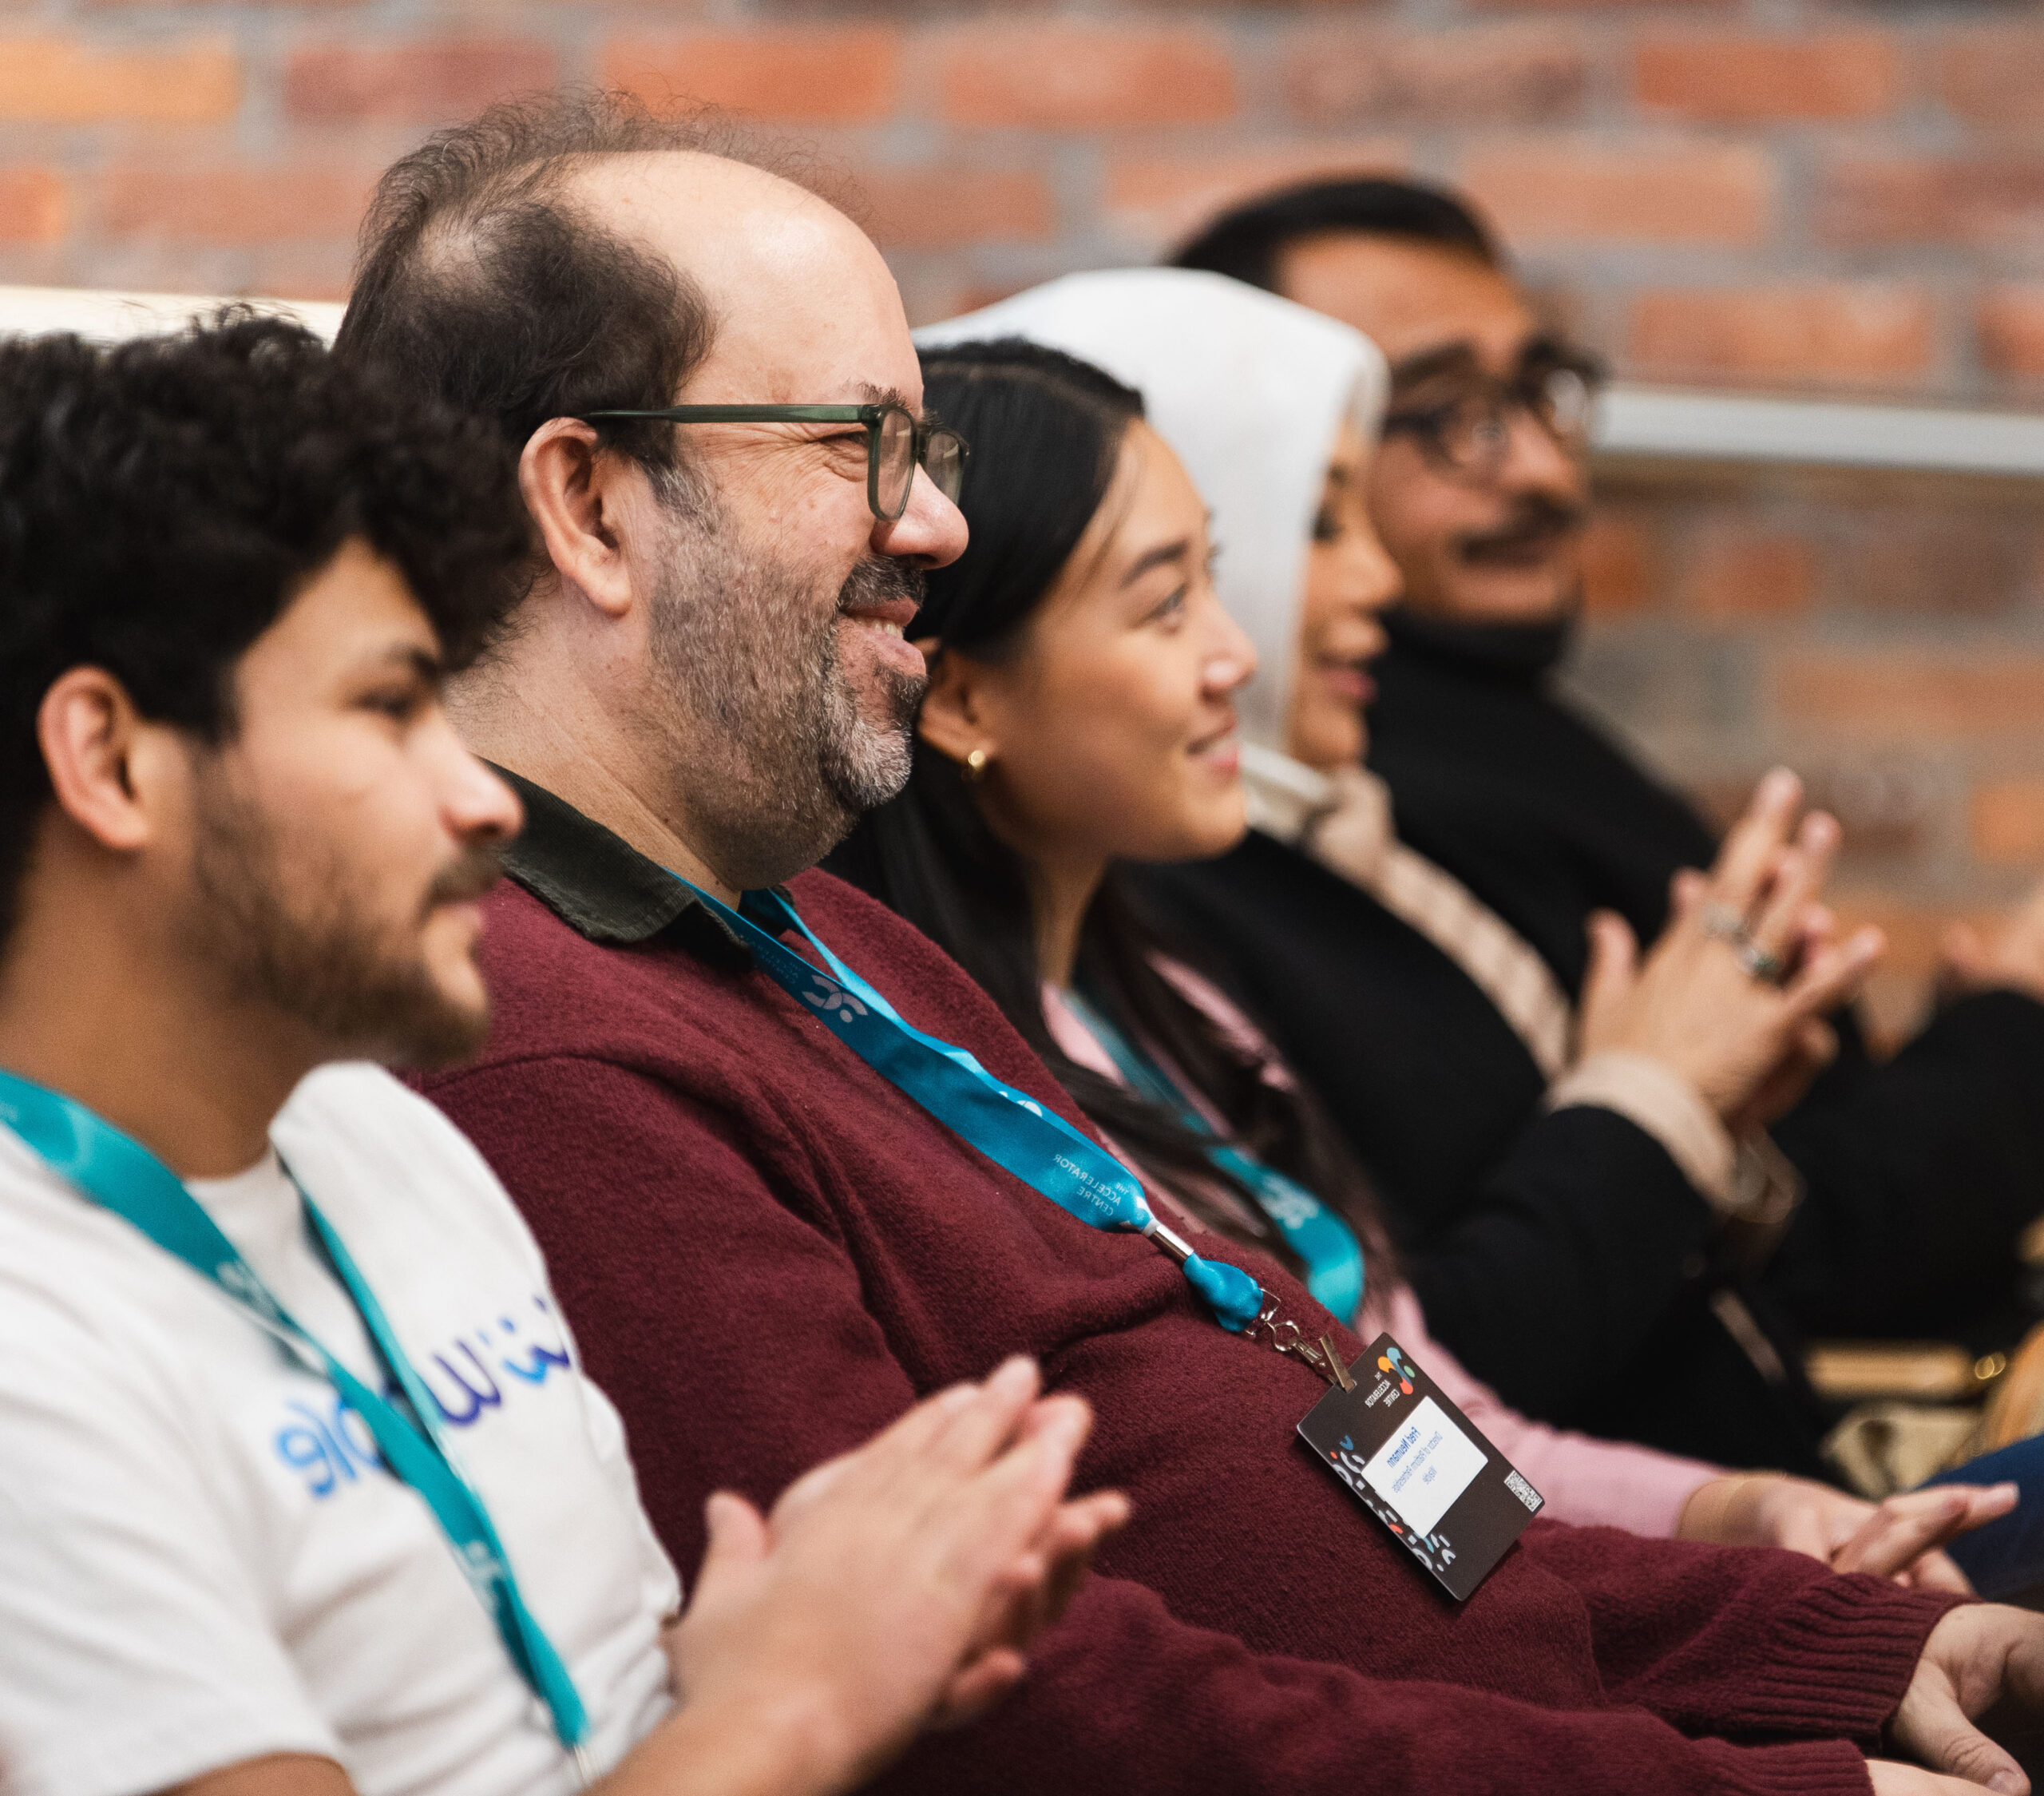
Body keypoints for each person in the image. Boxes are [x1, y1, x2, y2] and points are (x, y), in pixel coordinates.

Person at [338, 89, 2044, 1795]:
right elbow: (1022, 1722)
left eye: (921, 454)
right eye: (858, 446)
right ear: (587, 504)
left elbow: (1373, 1480)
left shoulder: (835, 948)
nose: (931, 525)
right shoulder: (545, 1047)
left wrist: (1848, 1651)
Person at [0, 315, 1126, 1796]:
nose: (476, 798)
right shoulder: (33, 1351)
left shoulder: (376, 1140)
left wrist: (777, 1646)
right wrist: (794, 1701)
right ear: (115, 758)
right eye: (390, 707)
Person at [826, 325, 2014, 1580]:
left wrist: (1742, 1519)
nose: (1236, 653)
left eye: (1223, 582)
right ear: (957, 700)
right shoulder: (964, 1094)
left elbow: (1422, 1440)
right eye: (1167, 604)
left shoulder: (1172, 1006)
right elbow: (1348, 1538)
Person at [1171, 176, 2044, 1354]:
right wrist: (2012, 1026)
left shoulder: (1465, 733)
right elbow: (1456, 1366)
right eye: (1442, 413)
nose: (1537, 466)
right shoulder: (1291, 809)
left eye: (1538, 393)